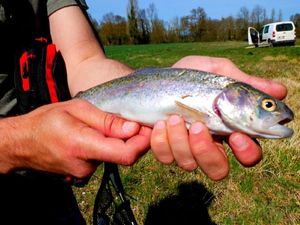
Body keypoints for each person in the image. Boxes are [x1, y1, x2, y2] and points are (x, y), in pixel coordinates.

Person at [0, 0, 287, 224]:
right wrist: (18, 141)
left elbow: (85, 60)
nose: (272, 110)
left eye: (267, 105)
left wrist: (154, 82)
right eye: (267, 105)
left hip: (48, 186)